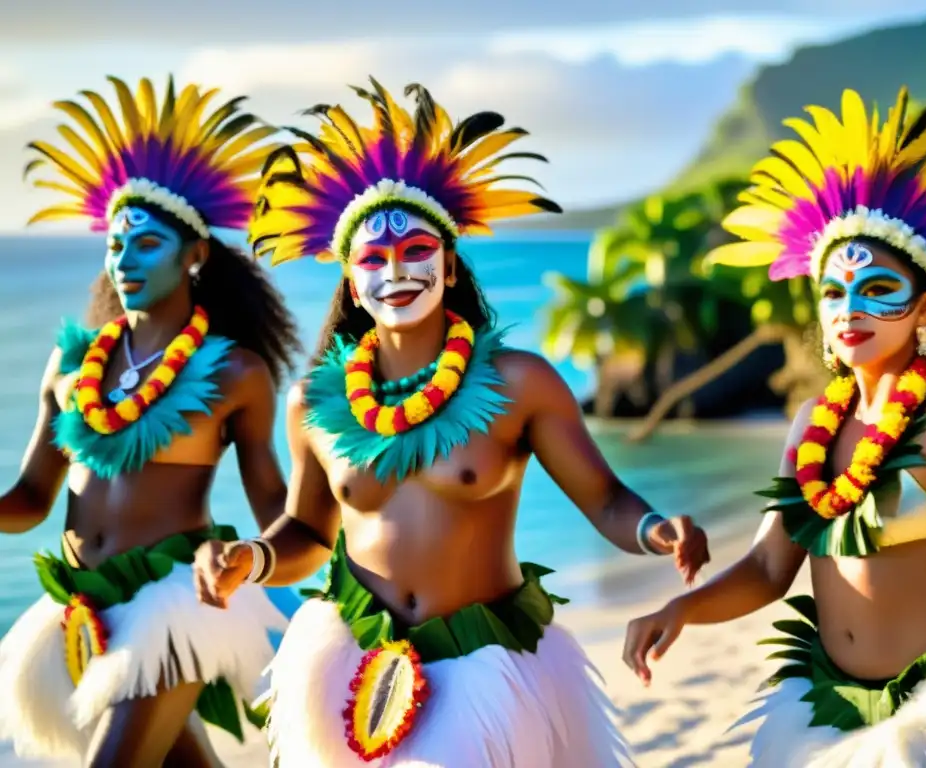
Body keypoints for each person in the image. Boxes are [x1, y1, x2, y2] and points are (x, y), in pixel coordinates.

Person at [191, 78, 710, 767]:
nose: (396, 272)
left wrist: (653, 530)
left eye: (415, 252)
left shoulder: (517, 383)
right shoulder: (313, 402)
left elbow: (606, 497)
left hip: (478, 664)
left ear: (449, 260)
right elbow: (311, 532)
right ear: (350, 280)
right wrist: (251, 558)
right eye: (373, 259)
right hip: (352, 657)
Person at [622, 86, 926, 767]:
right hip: (828, 714)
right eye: (834, 291)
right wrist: (680, 610)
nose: (850, 309)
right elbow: (770, 566)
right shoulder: (815, 420)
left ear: (924, 308)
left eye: (878, 291)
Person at [0, 75, 303, 766]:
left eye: (145, 244)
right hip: (83, 608)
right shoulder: (71, 366)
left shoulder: (235, 375)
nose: (124, 259)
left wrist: (318, 577)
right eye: (115, 244)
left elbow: (283, 515)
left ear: (194, 256)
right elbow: (29, 501)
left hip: (175, 604)